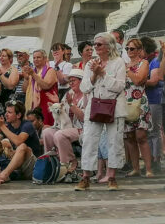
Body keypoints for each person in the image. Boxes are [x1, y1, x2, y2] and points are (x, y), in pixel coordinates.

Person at [75, 32, 126, 191]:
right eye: (94, 44)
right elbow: (84, 88)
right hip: (94, 105)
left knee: (114, 141)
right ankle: (85, 176)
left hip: (114, 106)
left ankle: (111, 176)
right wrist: (94, 75)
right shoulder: (91, 63)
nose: (95, 47)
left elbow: (119, 86)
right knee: (89, 140)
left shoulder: (118, 62)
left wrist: (103, 73)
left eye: (99, 44)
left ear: (109, 46)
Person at [42, 69, 86, 173]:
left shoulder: (86, 96)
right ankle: (52, 161)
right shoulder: (68, 94)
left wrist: (71, 105)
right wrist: (56, 103)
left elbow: (83, 117)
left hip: (81, 128)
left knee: (60, 135)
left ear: (81, 81)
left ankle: (70, 161)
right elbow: (61, 112)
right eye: (69, 81)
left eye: (73, 81)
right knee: (47, 132)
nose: (71, 83)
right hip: (66, 126)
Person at [123, 38, 153, 178]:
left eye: (132, 48)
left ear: (139, 50)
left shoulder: (144, 63)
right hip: (126, 101)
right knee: (129, 136)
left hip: (140, 101)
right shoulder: (124, 64)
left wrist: (128, 70)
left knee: (141, 135)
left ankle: (148, 168)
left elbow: (138, 80)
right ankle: (136, 168)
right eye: (127, 48)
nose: (129, 51)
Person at [0, 101, 42, 182]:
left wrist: (2, 126)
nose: (6, 114)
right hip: (17, 167)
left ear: (18, 115)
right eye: (6, 111)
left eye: (9, 112)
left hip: (33, 167)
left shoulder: (27, 125)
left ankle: (4, 175)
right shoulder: (8, 126)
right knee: (3, 142)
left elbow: (18, 141)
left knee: (23, 147)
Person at [141, 36, 164, 174]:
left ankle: (156, 160)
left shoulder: (154, 61)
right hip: (148, 99)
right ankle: (150, 159)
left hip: (155, 98)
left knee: (154, 130)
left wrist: (137, 81)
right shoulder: (147, 61)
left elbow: (155, 80)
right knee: (148, 132)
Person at [23, 49, 58, 126]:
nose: (36, 59)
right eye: (34, 58)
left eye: (38, 57)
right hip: (33, 106)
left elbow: (46, 86)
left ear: (45, 59)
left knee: (46, 127)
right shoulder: (32, 72)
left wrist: (33, 75)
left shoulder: (50, 70)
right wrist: (26, 78)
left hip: (46, 104)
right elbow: (25, 90)